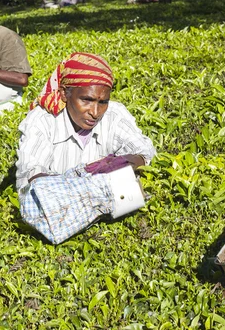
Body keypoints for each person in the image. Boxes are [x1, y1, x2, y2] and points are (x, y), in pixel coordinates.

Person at [16, 52, 156, 244]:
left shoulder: (114, 114)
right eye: (86, 100)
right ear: (65, 93)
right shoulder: (42, 121)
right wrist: (89, 183)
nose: (95, 112)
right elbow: (31, 175)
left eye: (103, 102)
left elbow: (143, 150)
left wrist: (117, 165)